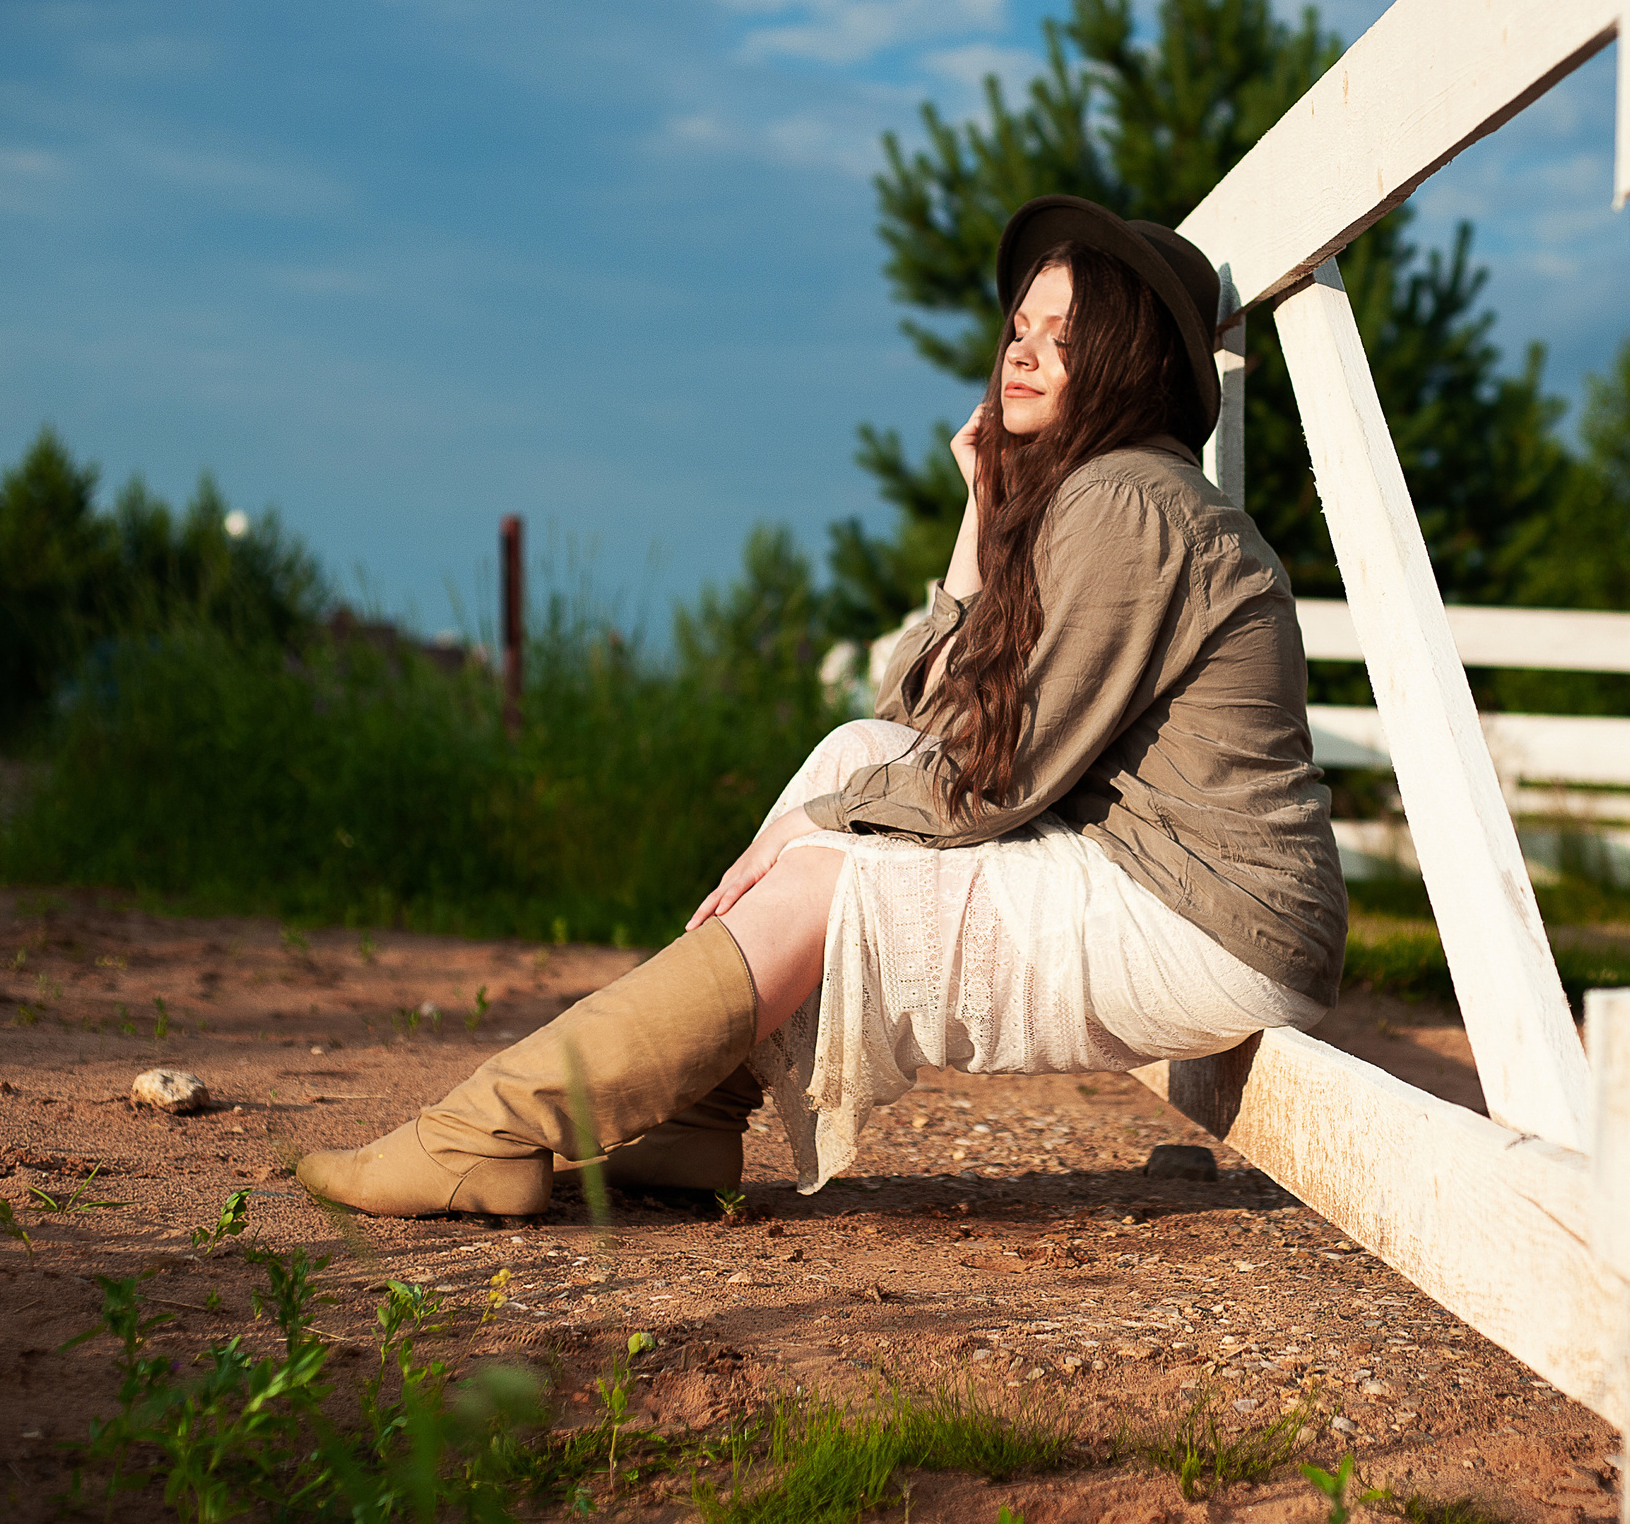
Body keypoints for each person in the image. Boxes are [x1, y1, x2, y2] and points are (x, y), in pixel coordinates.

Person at [296, 196, 1348, 1218]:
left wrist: (811, 829)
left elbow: (991, 776)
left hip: (1208, 919)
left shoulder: (1128, 504)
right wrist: (978, 515)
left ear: (1129, 361)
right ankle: (697, 1117)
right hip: (1150, 883)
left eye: (1064, 338)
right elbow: (915, 724)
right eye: (1020, 329)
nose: (1021, 355)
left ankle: (484, 1133)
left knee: (826, 875)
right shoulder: (1097, 498)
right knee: (856, 752)